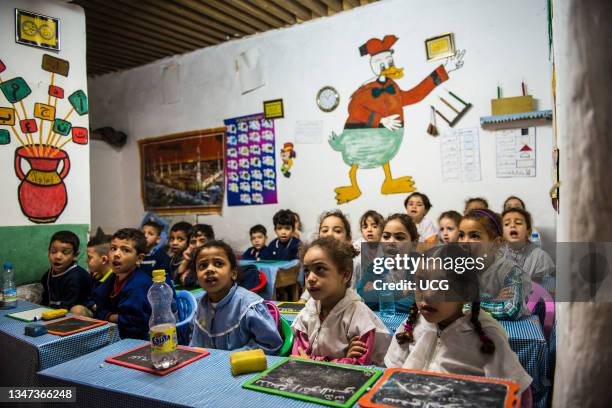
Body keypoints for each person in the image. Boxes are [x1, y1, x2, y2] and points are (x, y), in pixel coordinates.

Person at [351, 245, 532, 405]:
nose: (427, 295)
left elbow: (519, 392)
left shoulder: (486, 335)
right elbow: (391, 372)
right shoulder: (413, 323)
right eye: (420, 283)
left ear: (466, 292)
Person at [292, 237, 390, 365]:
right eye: (306, 271)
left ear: (345, 275)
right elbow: (298, 358)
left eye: (320, 269)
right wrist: (342, 360)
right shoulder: (307, 313)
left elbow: (359, 366)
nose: (310, 278)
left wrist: (313, 361)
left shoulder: (359, 319)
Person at [190, 241, 282, 354]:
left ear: (233, 273)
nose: (209, 269)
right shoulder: (200, 307)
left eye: (218, 263)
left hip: (244, 368)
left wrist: (233, 357)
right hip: (209, 368)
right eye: (203, 266)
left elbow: (270, 344)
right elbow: (195, 346)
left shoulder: (249, 306)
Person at [459, 209, 531, 320]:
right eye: (461, 235)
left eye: (474, 236)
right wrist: (493, 301)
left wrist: (467, 305)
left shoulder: (510, 271)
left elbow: (510, 310)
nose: (464, 242)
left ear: (496, 243)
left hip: (507, 333)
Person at [92, 228, 155, 339]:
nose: (116, 254)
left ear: (139, 259)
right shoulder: (113, 278)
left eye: (125, 250)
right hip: (116, 334)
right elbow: (99, 306)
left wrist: (108, 316)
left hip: (138, 340)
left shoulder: (139, 283)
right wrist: (110, 316)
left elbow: (134, 323)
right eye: (113, 248)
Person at [356, 214, 418, 313]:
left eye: (399, 238)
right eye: (386, 236)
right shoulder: (377, 265)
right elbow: (360, 297)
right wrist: (399, 291)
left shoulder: (421, 266)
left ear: (413, 243)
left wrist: (376, 291)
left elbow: (415, 304)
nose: (391, 242)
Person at [41, 231, 91, 310]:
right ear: (48, 252)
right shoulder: (47, 276)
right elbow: (46, 300)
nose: (58, 256)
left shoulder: (76, 278)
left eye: (65, 252)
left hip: (77, 314)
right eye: (53, 251)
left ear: (75, 255)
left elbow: (69, 307)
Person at [501, 208, 555, 280]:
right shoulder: (496, 255)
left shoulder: (540, 257)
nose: (512, 225)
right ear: (502, 233)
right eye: (507, 224)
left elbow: (548, 288)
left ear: (528, 232)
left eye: (518, 223)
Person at [70, 235, 113, 317]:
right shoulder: (95, 276)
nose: (86, 261)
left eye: (89, 257)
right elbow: (87, 297)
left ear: (103, 260)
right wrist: (92, 305)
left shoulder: (112, 280)